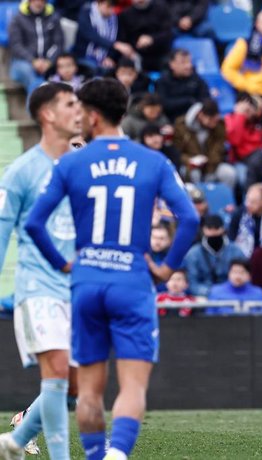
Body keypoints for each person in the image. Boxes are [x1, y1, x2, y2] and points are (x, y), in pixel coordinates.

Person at [24, 78, 200, 460]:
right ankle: (117, 455)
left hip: (86, 281)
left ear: (92, 114)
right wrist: (167, 268)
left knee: (88, 391)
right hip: (133, 280)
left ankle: (93, 457)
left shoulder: (71, 162)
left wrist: (64, 263)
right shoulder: (154, 161)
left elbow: (35, 223)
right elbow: (188, 219)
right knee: (132, 387)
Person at [0, 83, 80, 460]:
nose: (78, 110)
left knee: (74, 382)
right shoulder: (20, 172)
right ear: (47, 114)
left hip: (79, 289)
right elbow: (1, 234)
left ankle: (19, 434)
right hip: (38, 287)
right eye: (69, 104)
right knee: (60, 374)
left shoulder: (84, 168)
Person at [172, 98, 237, 190]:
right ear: (201, 115)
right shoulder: (181, 126)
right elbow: (176, 152)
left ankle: (226, 202)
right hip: (189, 165)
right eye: (211, 120)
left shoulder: (219, 126)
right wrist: (190, 161)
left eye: (216, 119)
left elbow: (219, 149)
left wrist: (207, 162)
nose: (214, 123)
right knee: (195, 173)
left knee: (229, 173)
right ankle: (197, 202)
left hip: (212, 164)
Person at [9, 0, 65, 92]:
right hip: (22, 62)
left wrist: (49, 62)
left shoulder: (54, 17)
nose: (38, 3)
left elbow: (59, 43)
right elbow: (16, 45)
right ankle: (35, 105)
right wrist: (33, 61)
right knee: (35, 82)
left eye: (42, 0)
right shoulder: (17, 18)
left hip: (48, 62)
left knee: (67, 69)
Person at [184, 214, 245, 297]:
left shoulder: (236, 250)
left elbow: (244, 275)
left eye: (216, 228)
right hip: (203, 297)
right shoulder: (193, 253)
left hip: (232, 294)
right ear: (203, 230)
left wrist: (227, 293)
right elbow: (192, 283)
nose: (213, 232)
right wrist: (213, 293)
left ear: (223, 229)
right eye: (209, 229)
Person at [74, 0, 136, 71]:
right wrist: (115, 45)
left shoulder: (114, 18)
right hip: (84, 55)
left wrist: (110, 57)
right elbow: (91, 35)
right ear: (99, 3)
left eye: (113, 6)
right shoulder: (86, 13)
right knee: (93, 69)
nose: (111, 10)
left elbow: (117, 37)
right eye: (108, 6)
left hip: (105, 58)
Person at [156, 48, 211, 123]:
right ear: (172, 64)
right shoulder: (162, 81)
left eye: (189, 62)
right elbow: (164, 104)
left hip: (196, 119)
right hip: (171, 121)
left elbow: (206, 100)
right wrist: (188, 101)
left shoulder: (197, 79)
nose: (188, 66)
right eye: (183, 63)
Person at [117, 0, 173, 72]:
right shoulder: (125, 14)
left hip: (160, 53)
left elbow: (168, 33)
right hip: (137, 54)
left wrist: (151, 39)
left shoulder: (161, 9)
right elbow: (123, 39)